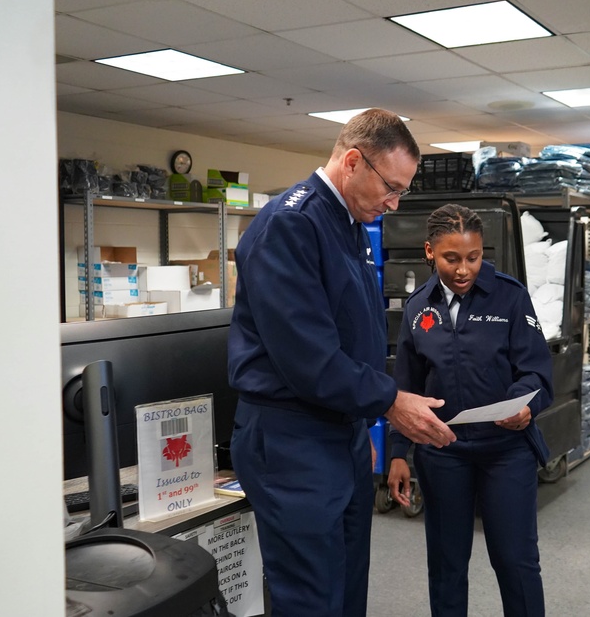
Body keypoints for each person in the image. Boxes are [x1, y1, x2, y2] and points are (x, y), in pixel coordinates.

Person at [227, 108, 457, 617]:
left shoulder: (349, 221)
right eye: (390, 188)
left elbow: (354, 334)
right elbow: (308, 359)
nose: (394, 204)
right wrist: (391, 401)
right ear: (353, 161)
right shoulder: (292, 225)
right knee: (313, 598)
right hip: (293, 440)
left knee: (348, 589)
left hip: (340, 431)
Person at [388, 203, 554, 617]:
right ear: (430, 252)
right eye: (452, 258)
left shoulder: (511, 296)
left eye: (474, 257)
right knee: (446, 563)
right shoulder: (417, 308)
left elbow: (536, 372)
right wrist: (396, 453)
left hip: (506, 450)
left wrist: (526, 405)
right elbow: (403, 390)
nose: (464, 269)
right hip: (442, 452)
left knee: (516, 561)